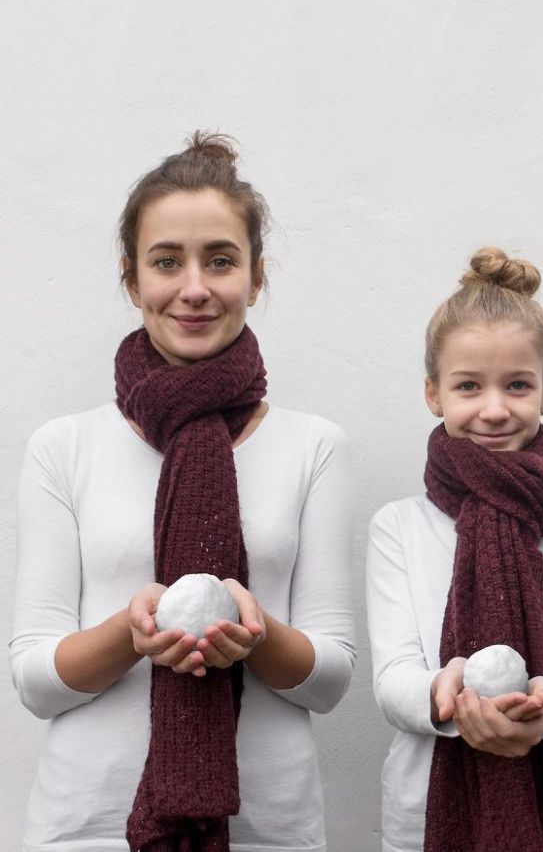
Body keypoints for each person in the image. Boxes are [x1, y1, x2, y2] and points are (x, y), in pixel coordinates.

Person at [10, 132, 355, 852]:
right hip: (90, 825)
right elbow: (36, 680)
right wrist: (130, 634)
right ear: (133, 279)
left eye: (220, 260)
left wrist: (254, 636)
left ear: (254, 277)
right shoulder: (63, 447)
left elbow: (328, 678)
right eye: (166, 261)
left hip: (265, 825)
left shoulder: (312, 446)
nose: (193, 287)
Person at [366, 247, 543, 852]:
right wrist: (449, 700)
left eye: (517, 385)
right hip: (424, 820)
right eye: (467, 386)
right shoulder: (398, 526)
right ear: (433, 393)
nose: (493, 409)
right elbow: (393, 679)